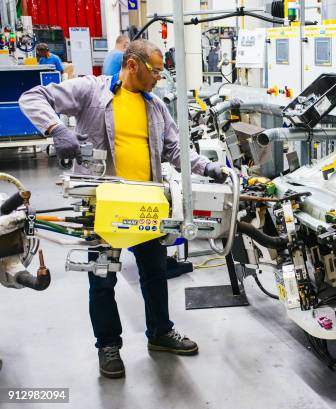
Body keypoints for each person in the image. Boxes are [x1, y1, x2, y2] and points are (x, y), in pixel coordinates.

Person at [19, 39, 227, 379]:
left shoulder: (156, 107)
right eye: (155, 70)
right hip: (105, 207)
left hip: (146, 205)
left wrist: (212, 168)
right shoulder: (91, 92)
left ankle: (160, 332)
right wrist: (55, 128)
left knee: (155, 274)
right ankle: (108, 346)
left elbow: (177, 150)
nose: (159, 77)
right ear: (132, 64)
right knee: (102, 279)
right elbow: (32, 97)